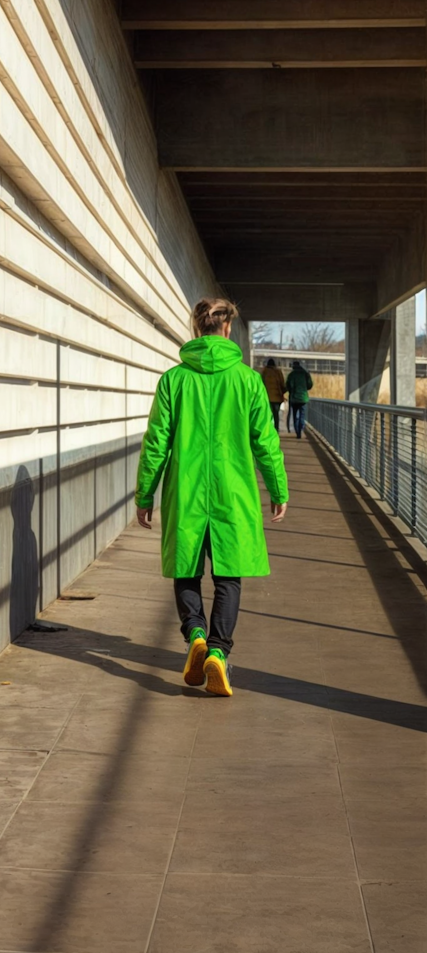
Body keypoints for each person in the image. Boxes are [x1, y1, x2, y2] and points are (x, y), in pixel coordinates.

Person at [135, 297, 289, 697]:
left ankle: (196, 635)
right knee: (228, 576)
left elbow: (156, 443)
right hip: (232, 492)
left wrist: (145, 494)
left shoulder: (174, 380)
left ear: (196, 328)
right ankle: (218, 653)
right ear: (227, 329)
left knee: (186, 568)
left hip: (185, 492)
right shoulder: (247, 380)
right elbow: (265, 441)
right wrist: (278, 487)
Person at [285, 359, 313, 439]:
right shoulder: (305, 374)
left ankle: (297, 432)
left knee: (295, 415)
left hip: (294, 398)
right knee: (302, 415)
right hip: (303, 398)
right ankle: (301, 428)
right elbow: (310, 385)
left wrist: (291, 391)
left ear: (293, 366)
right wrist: (304, 388)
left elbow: (288, 385)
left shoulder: (291, 375)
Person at [260, 357, 286, 432]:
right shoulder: (278, 372)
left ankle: (268, 429)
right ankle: (276, 429)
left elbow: (261, 384)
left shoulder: (264, 371)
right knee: (276, 414)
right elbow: (282, 384)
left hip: (267, 397)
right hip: (277, 397)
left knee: (268, 414)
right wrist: (283, 391)